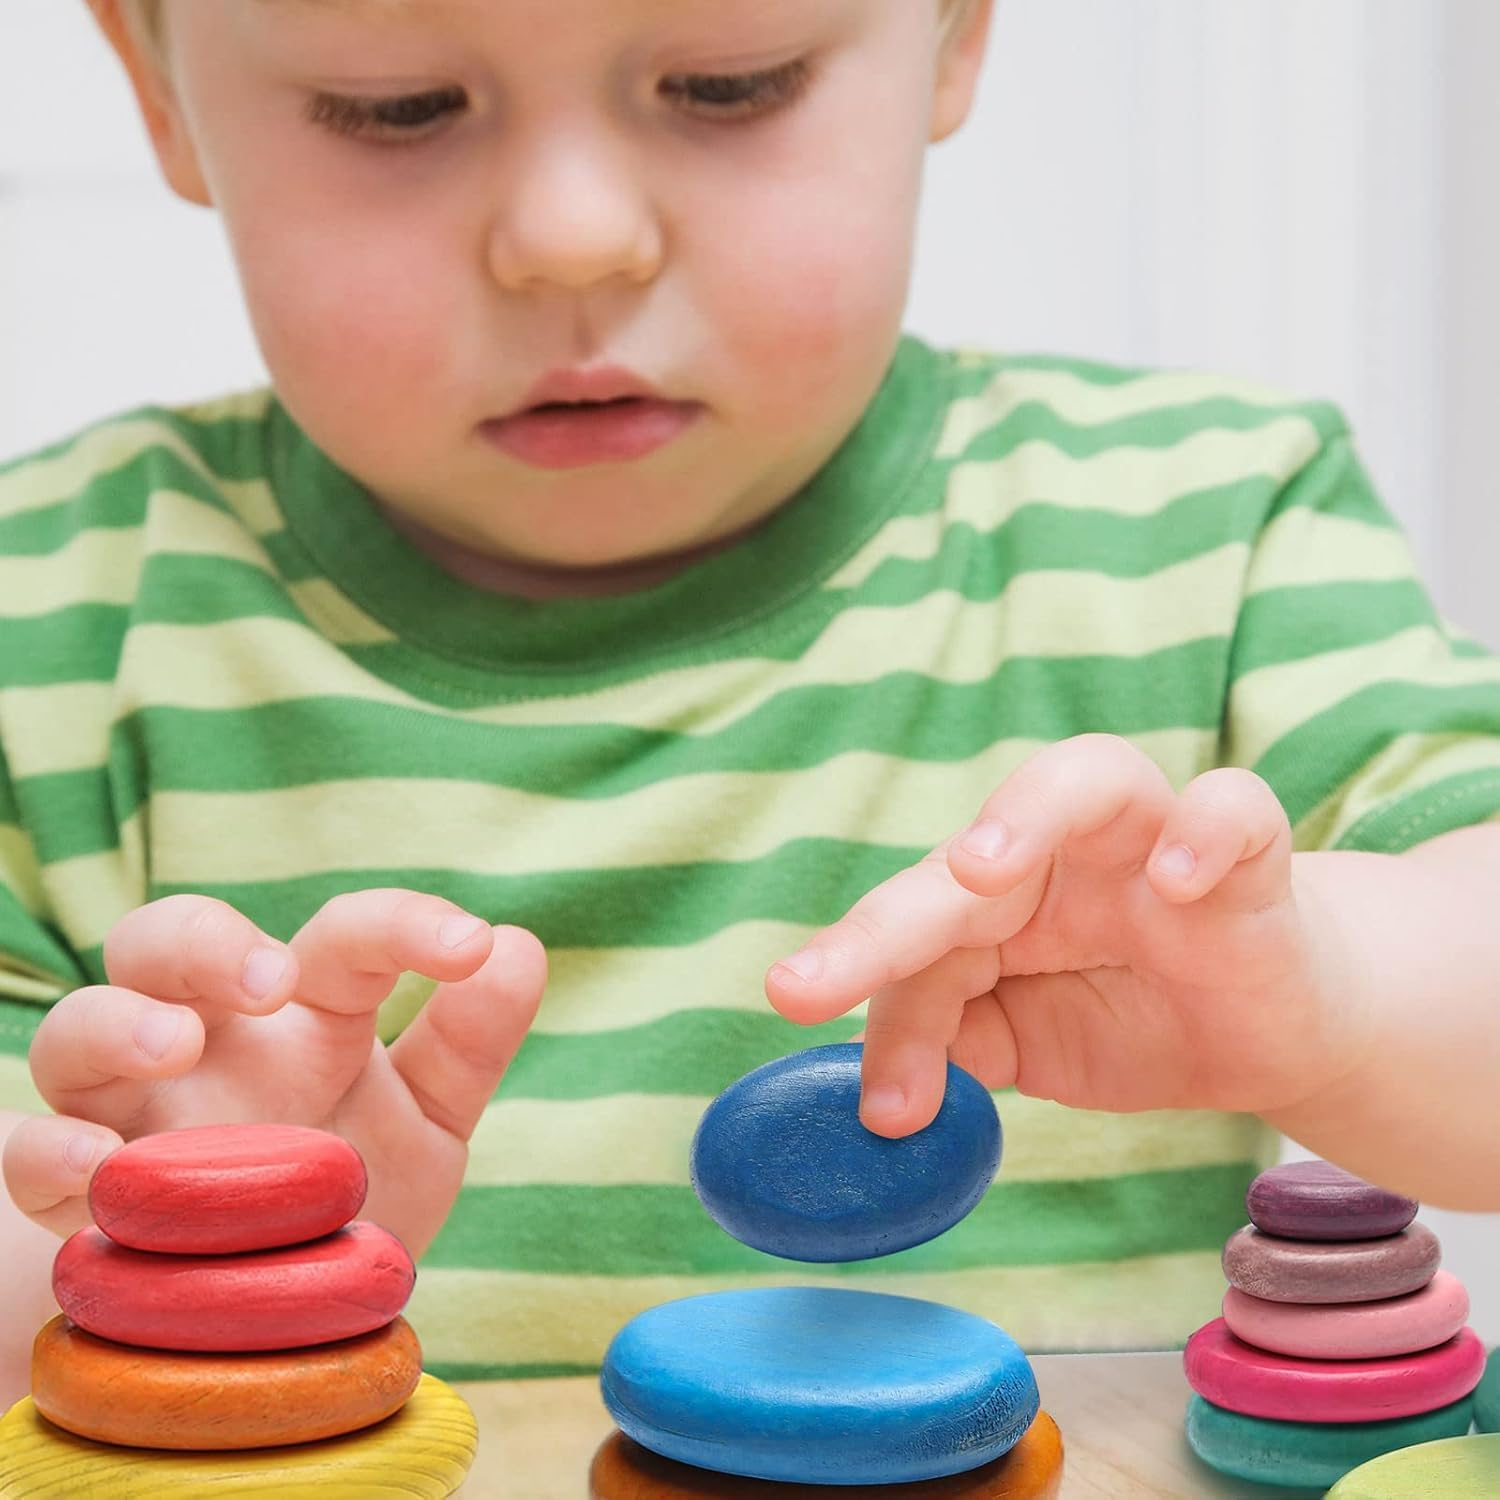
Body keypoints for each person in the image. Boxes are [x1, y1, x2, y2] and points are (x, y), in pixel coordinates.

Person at [1, 0, 1498, 1410]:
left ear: (953, 33)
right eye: (394, 107)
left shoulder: (1200, 522)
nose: (572, 240)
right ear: (157, 82)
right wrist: (190, 1247)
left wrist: (1329, 997)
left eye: (731, 83)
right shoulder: (49, 607)